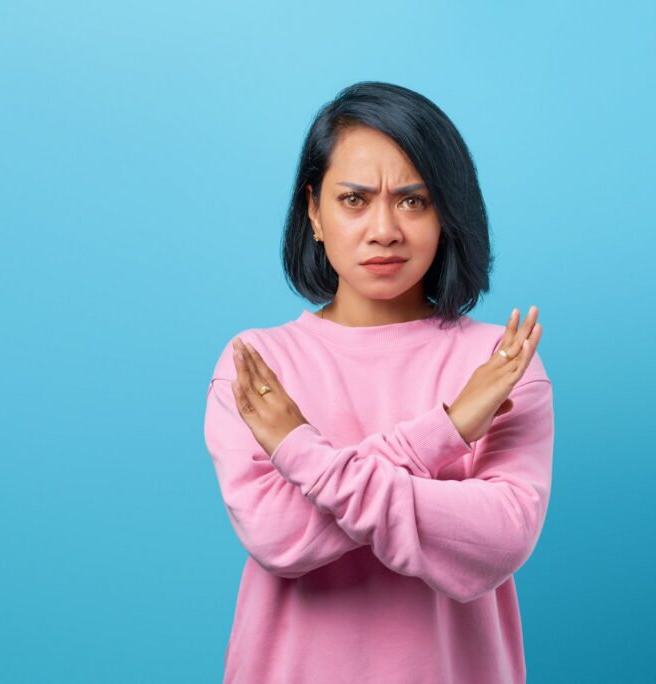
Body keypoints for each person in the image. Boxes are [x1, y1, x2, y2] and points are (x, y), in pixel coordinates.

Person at [203, 81, 554, 684]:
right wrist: (445, 432)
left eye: (414, 201)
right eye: (355, 200)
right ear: (314, 211)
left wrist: (303, 456)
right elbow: (279, 540)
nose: (385, 229)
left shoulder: (499, 361)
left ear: (447, 213)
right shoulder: (258, 363)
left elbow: (498, 542)